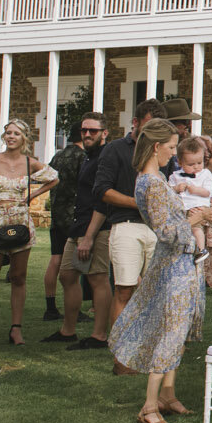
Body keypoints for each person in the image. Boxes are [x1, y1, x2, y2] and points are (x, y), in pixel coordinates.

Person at [110, 120, 212, 423]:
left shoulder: (157, 180)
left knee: (180, 331)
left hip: (184, 262)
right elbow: (166, 231)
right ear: (156, 146)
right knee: (170, 332)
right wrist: (197, 219)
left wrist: (196, 216)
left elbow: (175, 221)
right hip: (173, 265)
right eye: (171, 147)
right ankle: (149, 405)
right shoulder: (151, 183)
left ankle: (167, 395)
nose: (174, 153)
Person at [79, 97, 167, 350]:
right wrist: (137, 203)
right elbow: (102, 191)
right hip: (126, 225)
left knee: (155, 292)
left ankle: (150, 347)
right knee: (125, 290)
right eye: (148, 126)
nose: (151, 133)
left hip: (156, 228)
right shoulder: (115, 149)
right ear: (136, 122)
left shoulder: (160, 151)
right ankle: (121, 351)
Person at [0, 119, 57, 347]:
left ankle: (16, 329)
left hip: (20, 221)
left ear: (24, 138)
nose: (11, 136)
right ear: (4, 137)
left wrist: (32, 197)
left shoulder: (30, 163)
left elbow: (54, 178)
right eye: (8, 133)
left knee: (18, 277)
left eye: (16, 133)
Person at [55, 113, 113, 348]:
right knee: (67, 275)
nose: (87, 134)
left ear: (104, 134)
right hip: (79, 224)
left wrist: (89, 236)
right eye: (84, 130)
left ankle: (99, 335)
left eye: (93, 131)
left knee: (98, 278)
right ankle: (68, 331)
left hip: (97, 227)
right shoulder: (87, 157)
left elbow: (103, 200)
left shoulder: (104, 158)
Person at [170, 136, 212, 289]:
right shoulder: (175, 176)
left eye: (199, 163)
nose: (196, 167)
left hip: (198, 208)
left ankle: (200, 249)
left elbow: (209, 191)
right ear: (180, 162)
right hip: (180, 210)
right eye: (191, 164)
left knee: (196, 229)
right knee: (182, 232)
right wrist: (176, 188)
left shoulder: (205, 174)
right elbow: (167, 191)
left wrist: (195, 190)